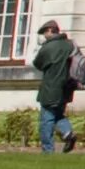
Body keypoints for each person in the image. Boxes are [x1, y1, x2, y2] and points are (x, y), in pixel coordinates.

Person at [29, 19, 80, 155]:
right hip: (66, 88)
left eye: (45, 32)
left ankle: (48, 151)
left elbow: (38, 64)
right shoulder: (70, 45)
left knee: (46, 120)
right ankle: (68, 133)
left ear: (51, 30)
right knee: (58, 114)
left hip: (51, 88)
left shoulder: (48, 48)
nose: (44, 35)